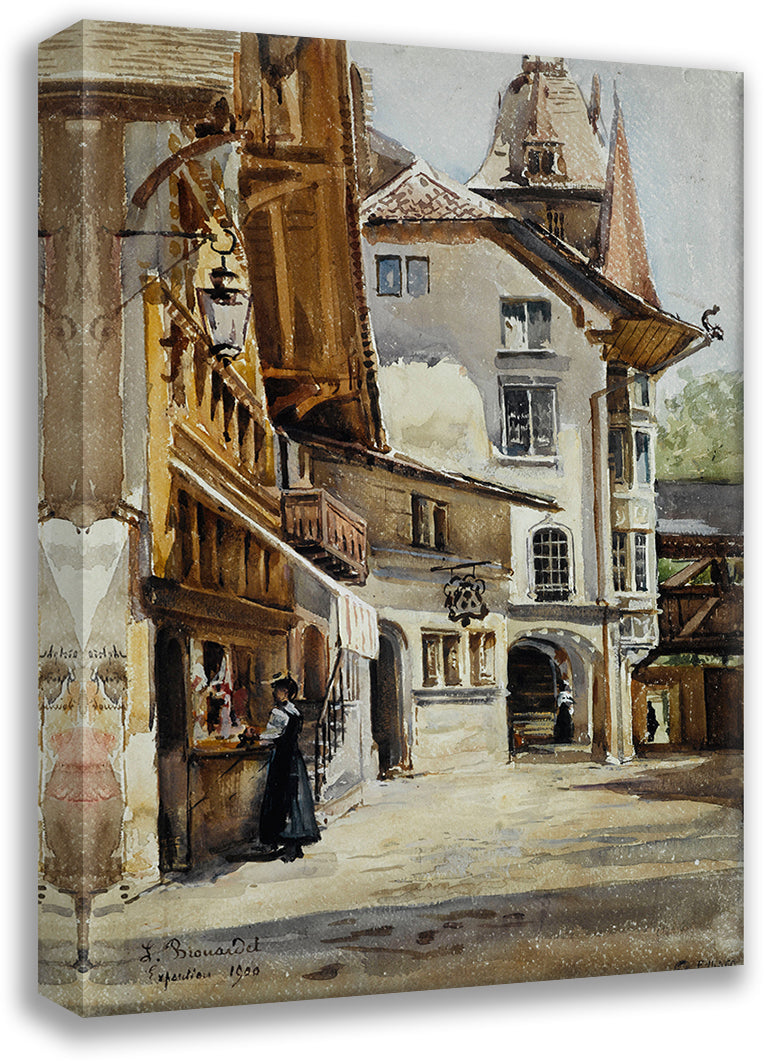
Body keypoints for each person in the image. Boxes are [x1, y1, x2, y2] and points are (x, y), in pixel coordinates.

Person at [258, 672, 321, 862]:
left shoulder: (279, 712)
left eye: (277, 690)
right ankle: (295, 845)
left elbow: (270, 737)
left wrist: (256, 737)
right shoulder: (295, 712)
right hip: (294, 758)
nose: (274, 693)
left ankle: (282, 843)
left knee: (281, 798)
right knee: (295, 798)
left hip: (282, 760)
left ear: (285, 692)